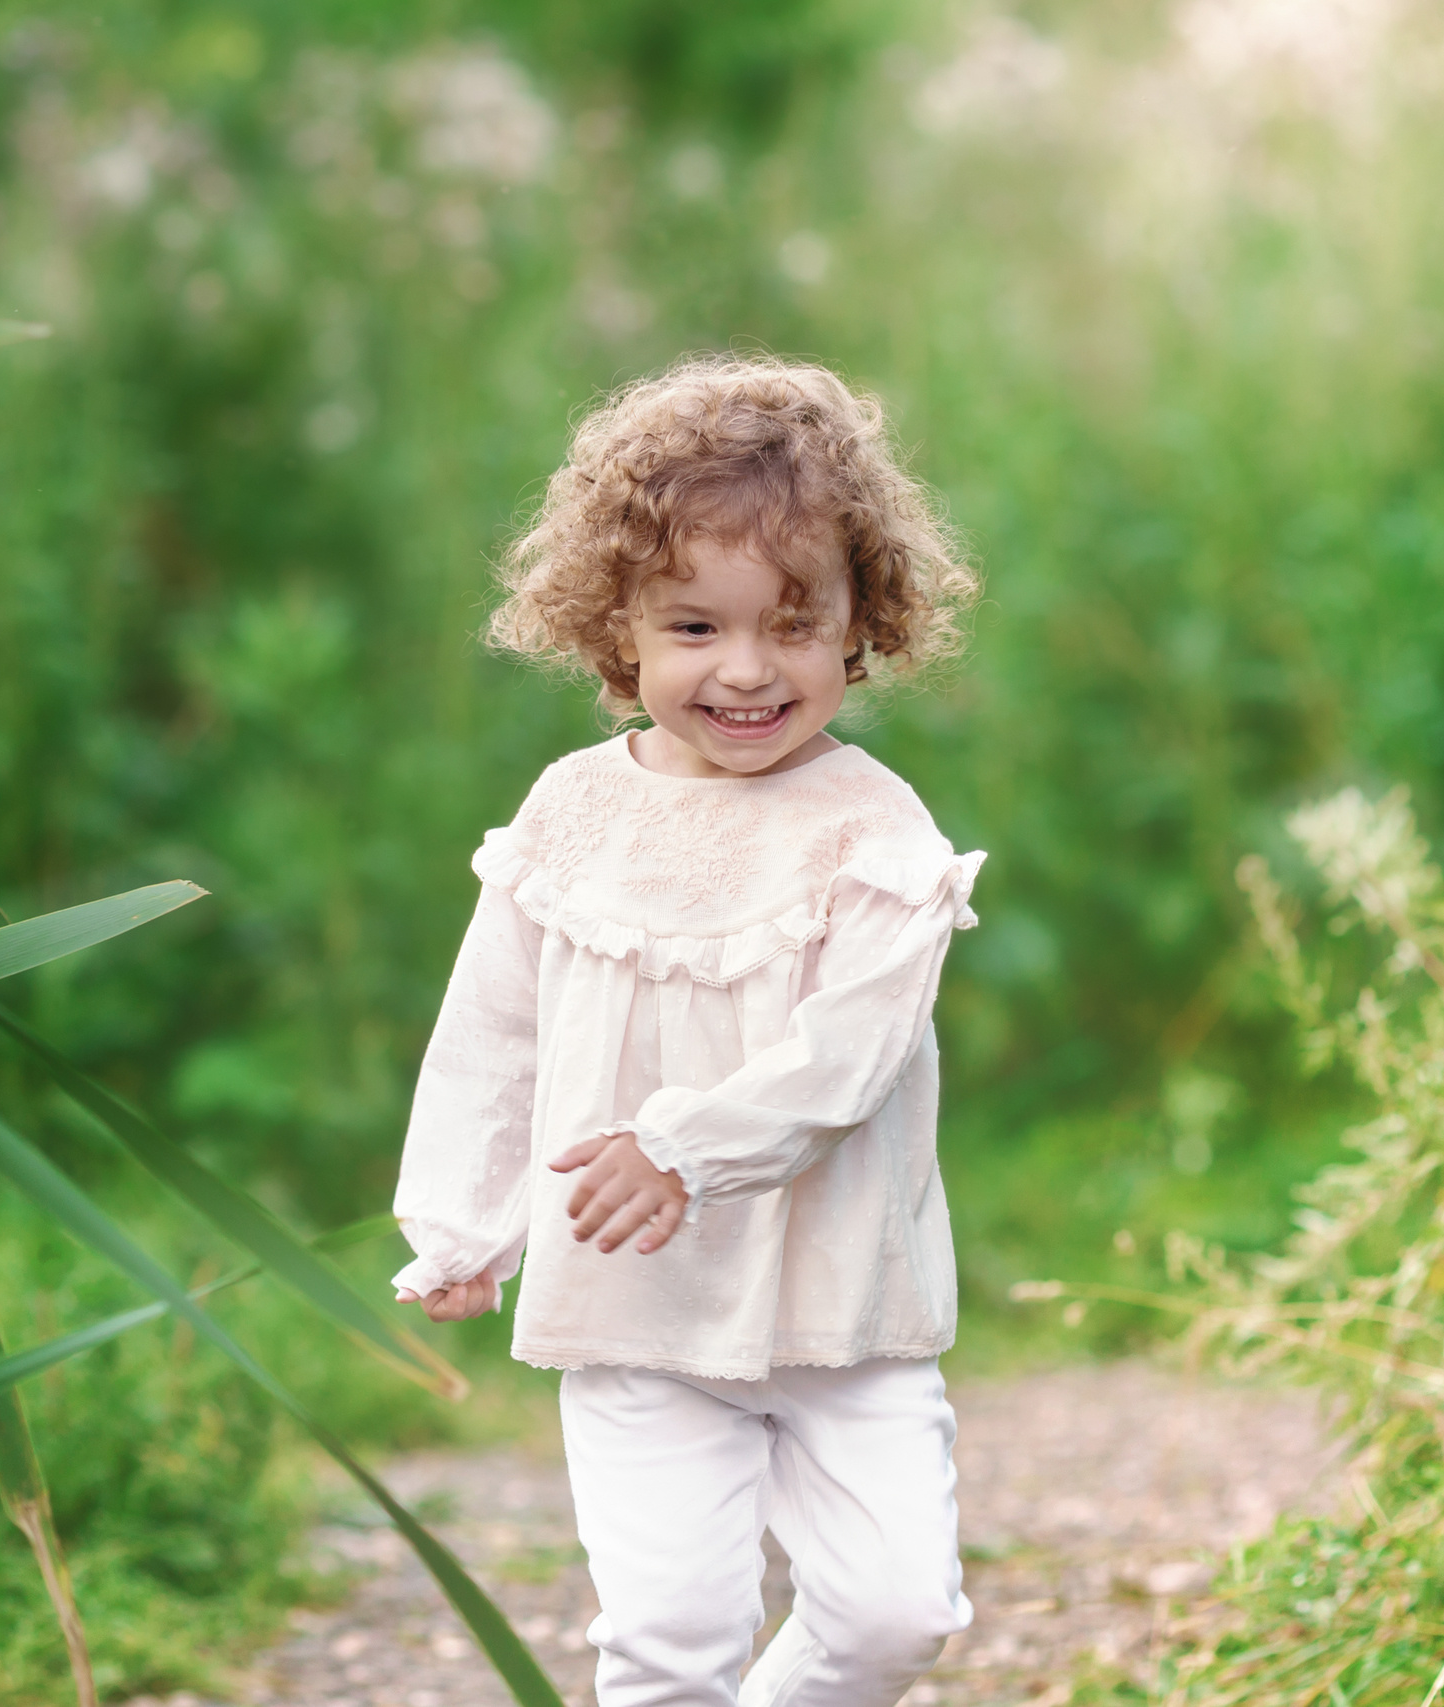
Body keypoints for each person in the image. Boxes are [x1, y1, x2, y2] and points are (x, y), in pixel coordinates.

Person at [389, 353, 985, 1707]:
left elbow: (850, 1054)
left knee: (898, 1614)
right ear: (620, 635)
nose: (749, 671)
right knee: (668, 1641)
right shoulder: (572, 813)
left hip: (846, 1302)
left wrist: (681, 1148)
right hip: (635, 1304)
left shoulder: (876, 830)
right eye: (696, 629)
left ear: (860, 623)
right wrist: (466, 1225)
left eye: (792, 624)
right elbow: (494, 1034)